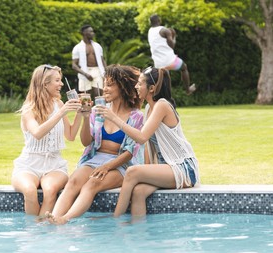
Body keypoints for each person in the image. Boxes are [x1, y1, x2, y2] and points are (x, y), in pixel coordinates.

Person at [46, 64, 144, 225]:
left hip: (120, 165)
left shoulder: (136, 116)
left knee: (92, 183)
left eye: (110, 85)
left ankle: (65, 219)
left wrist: (107, 167)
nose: (105, 88)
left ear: (123, 87)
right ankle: (54, 217)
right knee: (73, 181)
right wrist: (85, 118)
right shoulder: (98, 111)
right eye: (105, 84)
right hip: (94, 159)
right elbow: (86, 142)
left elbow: (130, 152)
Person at [96, 66, 199, 217]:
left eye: (140, 83)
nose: (136, 87)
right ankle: (138, 234)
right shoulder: (149, 109)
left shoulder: (162, 105)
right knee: (138, 192)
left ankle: (116, 220)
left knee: (132, 172)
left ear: (151, 88)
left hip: (182, 167)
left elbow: (142, 137)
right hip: (165, 167)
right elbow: (147, 145)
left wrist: (113, 118)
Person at [12, 65, 82, 218]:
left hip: (54, 164)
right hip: (28, 164)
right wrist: (62, 112)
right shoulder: (28, 109)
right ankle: (33, 231)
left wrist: (80, 114)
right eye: (57, 80)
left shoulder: (58, 104)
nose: (61, 84)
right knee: (30, 191)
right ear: (45, 83)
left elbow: (70, 135)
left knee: (50, 190)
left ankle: (40, 230)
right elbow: (37, 133)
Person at [148, 14, 196, 95]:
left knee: (164, 83)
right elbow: (172, 45)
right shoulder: (165, 30)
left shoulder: (150, 31)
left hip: (158, 64)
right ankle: (188, 90)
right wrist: (174, 36)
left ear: (151, 22)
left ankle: (161, 97)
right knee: (184, 67)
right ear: (159, 20)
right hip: (171, 61)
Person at [72, 24, 107, 99]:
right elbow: (74, 65)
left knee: (99, 93)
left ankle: (100, 109)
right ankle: (86, 110)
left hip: (97, 70)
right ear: (84, 33)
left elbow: (102, 60)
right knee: (85, 96)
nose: (93, 33)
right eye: (91, 31)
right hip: (84, 71)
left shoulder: (97, 46)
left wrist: (106, 71)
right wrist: (85, 74)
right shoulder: (77, 48)